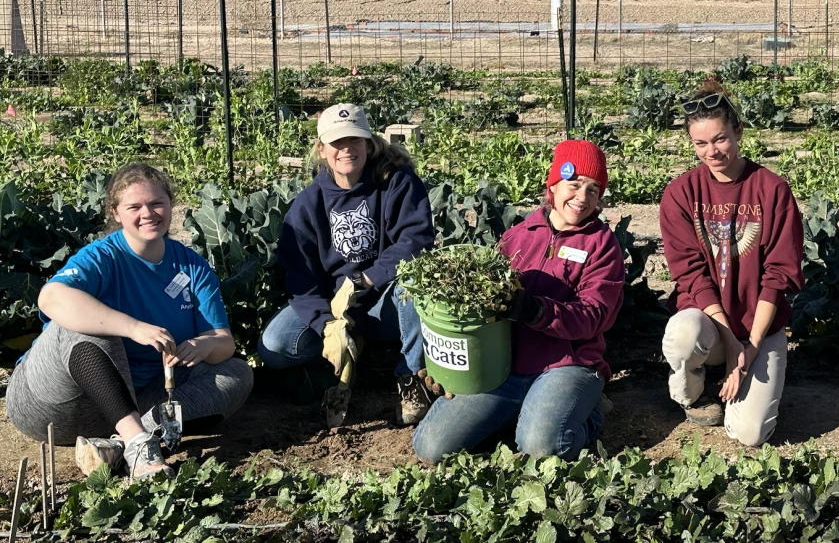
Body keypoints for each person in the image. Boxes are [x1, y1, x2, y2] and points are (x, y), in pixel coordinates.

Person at [6, 164, 253, 482]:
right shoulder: (102, 258)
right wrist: (132, 327)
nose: (148, 213)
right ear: (116, 213)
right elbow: (51, 299)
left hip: (138, 402)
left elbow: (223, 342)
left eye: (156, 203)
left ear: (170, 204)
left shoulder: (192, 267)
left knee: (237, 373)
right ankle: (137, 445)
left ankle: (124, 442)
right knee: (85, 324)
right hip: (54, 404)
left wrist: (204, 344)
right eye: (134, 206)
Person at [412, 140, 625, 464]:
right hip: (503, 366)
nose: (583, 198)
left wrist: (537, 310)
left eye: (594, 190)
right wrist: (453, 364)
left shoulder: (602, 245)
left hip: (567, 365)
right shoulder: (518, 236)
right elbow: (476, 308)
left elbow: (595, 315)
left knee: (543, 449)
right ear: (553, 185)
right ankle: (526, 413)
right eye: (575, 184)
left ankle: (588, 413)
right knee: (430, 447)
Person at [258, 103, 435, 425]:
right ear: (321, 149)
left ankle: (411, 376)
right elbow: (301, 278)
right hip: (336, 306)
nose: (346, 149)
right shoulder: (307, 205)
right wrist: (327, 324)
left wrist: (364, 279)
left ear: (368, 143)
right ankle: (348, 348)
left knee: (413, 282)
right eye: (337, 142)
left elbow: (415, 241)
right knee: (275, 347)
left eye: (354, 139)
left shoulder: (396, 183)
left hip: (386, 301)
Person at [659, 79, 804, 447]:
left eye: (720, 139)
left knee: (750, 435)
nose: (712, 151)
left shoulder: (771, 189)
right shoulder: (681, 193)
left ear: (738, 131)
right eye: (700, 143)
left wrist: (750, 348)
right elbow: (691, 274)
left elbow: (778, 274)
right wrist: (730, 344)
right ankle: (694, 393)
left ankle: (738, 382)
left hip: (759, 326)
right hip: (710, 323)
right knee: (682, 336)